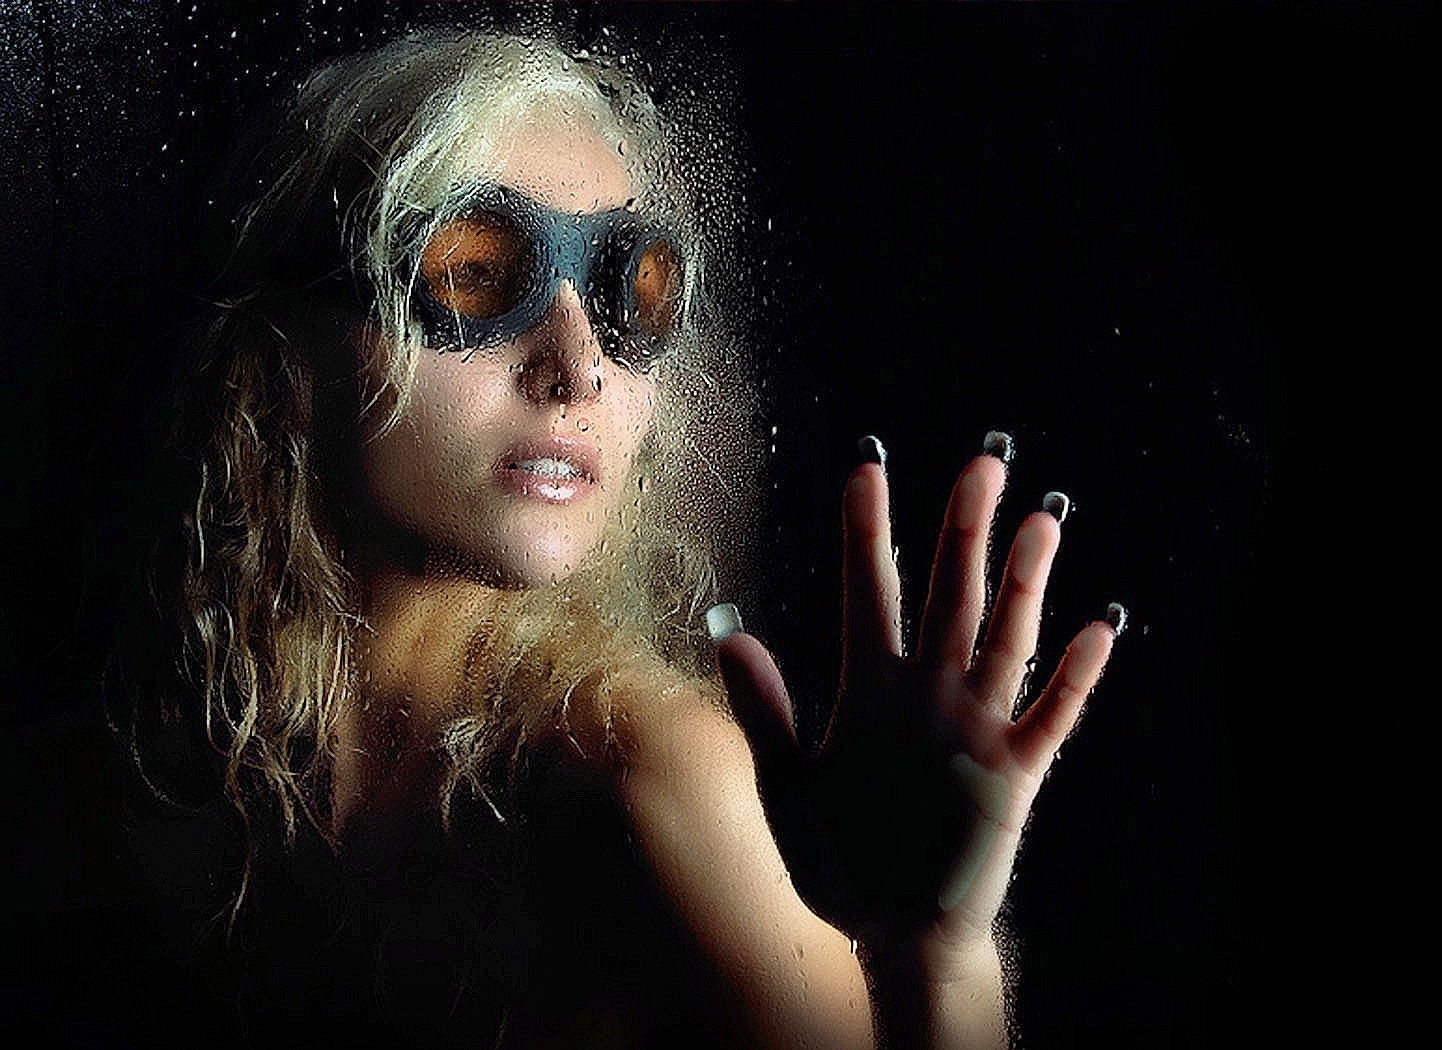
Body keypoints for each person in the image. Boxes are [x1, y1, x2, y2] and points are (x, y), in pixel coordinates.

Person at [114, 30, 1125, 1050]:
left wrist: (934, 964)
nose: (579, 364)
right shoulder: (160, 761)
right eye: (475, 273)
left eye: (631, 290)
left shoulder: (651, 771)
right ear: (289, 348)